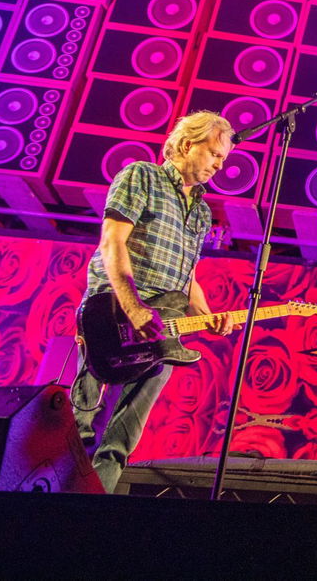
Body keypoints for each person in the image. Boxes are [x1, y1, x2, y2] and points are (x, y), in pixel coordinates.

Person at [71, 110, 235, 492]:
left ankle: (88, 509)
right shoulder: (141, 175)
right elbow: (112, 242)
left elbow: (188, 276)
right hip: (113, 315)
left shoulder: (202, 212)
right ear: (187, 144)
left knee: (120, 441)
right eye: (214, 154)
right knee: (80, 427)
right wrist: (134, 308)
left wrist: (208, 315)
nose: (219, 165)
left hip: (163, 331)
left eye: (223, 159)